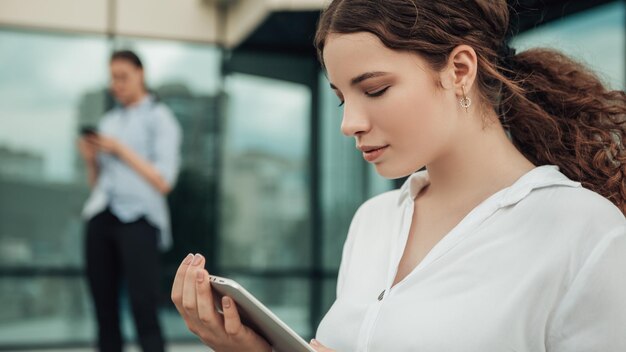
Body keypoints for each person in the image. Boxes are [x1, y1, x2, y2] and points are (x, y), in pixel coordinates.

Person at [170, 0, 626, 351]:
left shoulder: (585, 232)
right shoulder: (373, 220)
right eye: (341, 98)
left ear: (459, 71)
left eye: (375, 89)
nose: (349, 123)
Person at [78, 50, 182, 352]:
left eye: (122, 77)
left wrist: (119, 150)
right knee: (104, 311)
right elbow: (97, 182)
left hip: (140, 219)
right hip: (101, 215)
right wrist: (91, 160)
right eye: (112, 78)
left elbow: (164, 181)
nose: (117, 84)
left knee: (143, 308)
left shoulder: (161, 119)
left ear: (141, 74)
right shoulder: (109, 120)